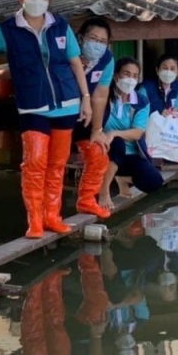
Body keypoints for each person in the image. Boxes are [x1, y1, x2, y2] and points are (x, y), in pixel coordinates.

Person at [0, 0, 93, 238]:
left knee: (57, 164)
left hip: (67, 103)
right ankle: (34, 220)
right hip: (32, 106)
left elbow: (75, 63)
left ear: (49, 0)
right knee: (34, 163)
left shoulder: (60, 26)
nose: (37, 1)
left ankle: (52, 216)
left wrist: (86, 98)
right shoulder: (7, 30)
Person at [93, 58, 164, 208]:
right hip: (104, 150)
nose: (130, 79)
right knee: (117, 144)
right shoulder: (104, 95)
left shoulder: (141, 101)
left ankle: (122, 178)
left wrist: (113, 133)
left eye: (135, 76)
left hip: (131, 153)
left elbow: (137, 132)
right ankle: (104, 191)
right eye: (126, 74)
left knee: (155, 182)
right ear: (116, 75)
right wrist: (110, 136)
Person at [72, 18, 114, 219]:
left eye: (102, 41)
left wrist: (97, 130)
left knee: (99, 154)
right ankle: (45, 213)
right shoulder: (66, 53)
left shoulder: (107, 59)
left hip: (87, 116)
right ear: (81, 38)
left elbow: (101, 95)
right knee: (51, 161)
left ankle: (87, 200)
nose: (97, 45)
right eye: (93, 39)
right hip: (59, 115)